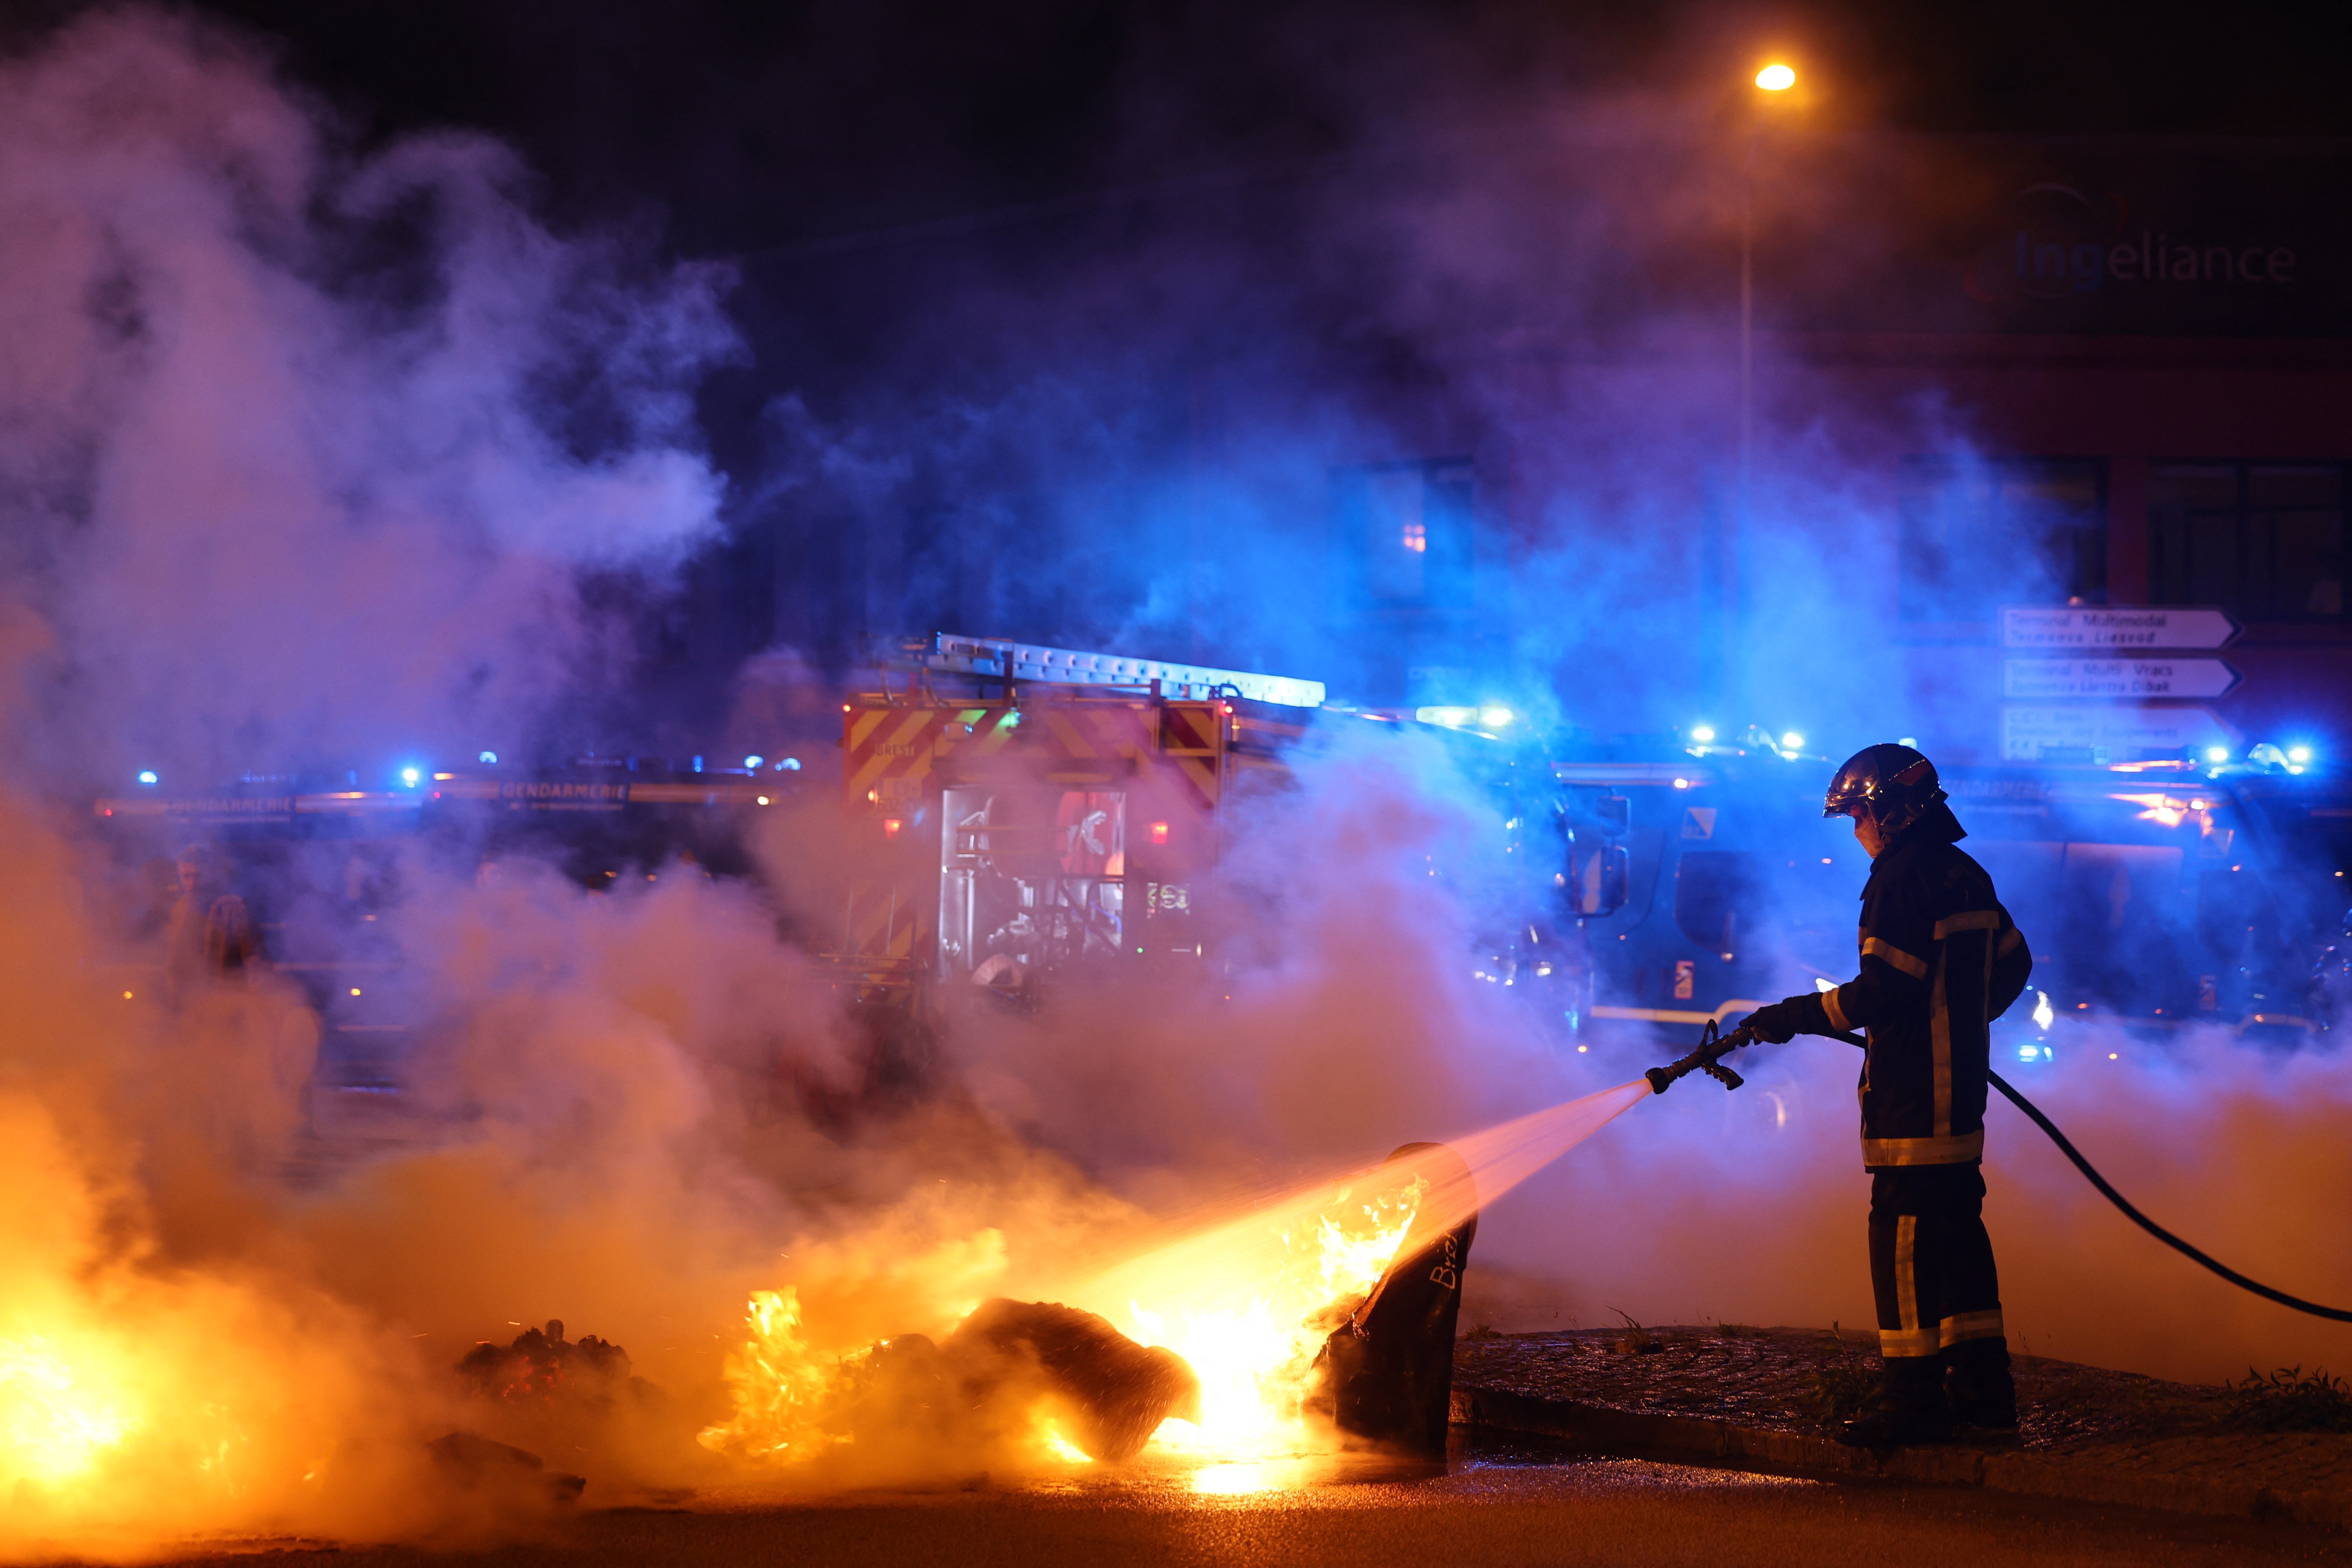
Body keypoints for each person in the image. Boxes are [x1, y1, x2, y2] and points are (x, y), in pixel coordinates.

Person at [1736, 745, 2034, 1448]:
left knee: (1901, 1240)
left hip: (1911, 1097)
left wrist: (1793, 1015)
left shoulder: (1899, 880)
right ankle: (1985, 1399)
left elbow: (1886, 989)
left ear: (1890, 814)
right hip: (1958, 1094)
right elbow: (2015, 961)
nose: (1857, 830)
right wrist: (1960, 1020)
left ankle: (1913, 1401)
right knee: (1959, 1236)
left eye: (1859, 815)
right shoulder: (1967, 873)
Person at [163, 842, 262, 1007]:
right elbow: (174, 960)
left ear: (211, 874)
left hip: (225, 1003)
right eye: (186, 876)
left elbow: (253, 958)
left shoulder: (234, 907)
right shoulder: (179, 910)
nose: (193, 883)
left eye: (199, 875)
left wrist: (252, 1000)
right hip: (186, 1004)